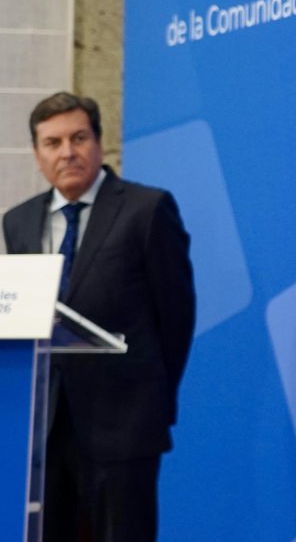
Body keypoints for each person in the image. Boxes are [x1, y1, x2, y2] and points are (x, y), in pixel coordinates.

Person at [2, 92, 196, 542]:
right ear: (37, 155)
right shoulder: (19, 222)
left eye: (78, 138)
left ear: (99, 143)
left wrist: (151, 402)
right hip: (43, 433)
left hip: (123, 427)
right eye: (52, 143)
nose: (66, 152)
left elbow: (176, 317)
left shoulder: (146, 210)